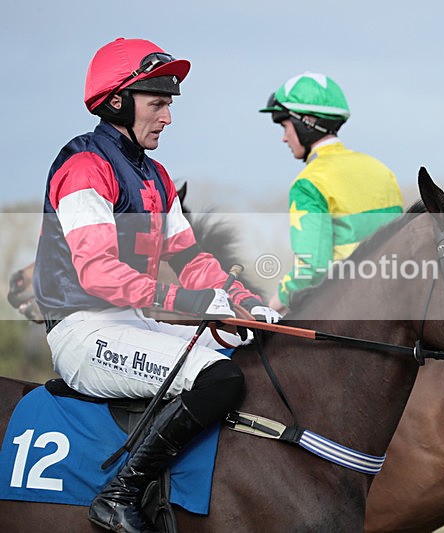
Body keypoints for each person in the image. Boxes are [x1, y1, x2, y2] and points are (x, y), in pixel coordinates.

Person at [33, 37, 280, 533]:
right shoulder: (84, 166)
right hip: (81, 331)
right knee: (219, 379)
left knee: (252, 352)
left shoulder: (157, 175)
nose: (167, 117)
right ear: (117, 101)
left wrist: (243, 301)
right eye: (157, 104)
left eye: (169, 104)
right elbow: (97, 272)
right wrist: (185, 299)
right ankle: (118, 495)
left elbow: (190, 258)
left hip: (130, 323)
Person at [259, 72, 404, 312]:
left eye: (285, 126)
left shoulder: (309, 183)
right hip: (396, 302)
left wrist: (274, 304)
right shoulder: (381, 170)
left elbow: (312, 268)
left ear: (306, 122)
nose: (284, 138)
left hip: (348, 310)